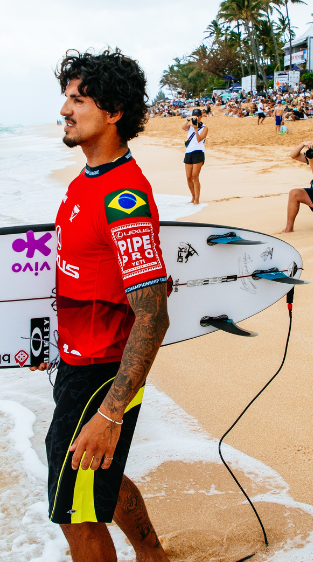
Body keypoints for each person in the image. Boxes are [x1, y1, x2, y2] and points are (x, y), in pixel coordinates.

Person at [39, 49, 171, 562]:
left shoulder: (124, 198)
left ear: (113, 111)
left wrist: (110, 413)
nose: (65, 109)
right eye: (65, 98)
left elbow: (154, 314)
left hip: (100, 374)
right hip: (77, 363)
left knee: (76, 513)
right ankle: (153, 556)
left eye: (79, 99)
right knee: (98, 480)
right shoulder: (84, 182)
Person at [181, 109, 208, 204]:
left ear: (201, 117)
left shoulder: (204, 128)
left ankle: (197, 199)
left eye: (197, 116)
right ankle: (192, 196)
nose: (196, 117)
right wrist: (188, 120)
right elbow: (183, 127)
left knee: (195, 176)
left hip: (198, 152)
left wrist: (196, 129)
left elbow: (199, 139)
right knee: (188, 177)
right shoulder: (190, 126)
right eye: (194, 116)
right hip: (188, 152)